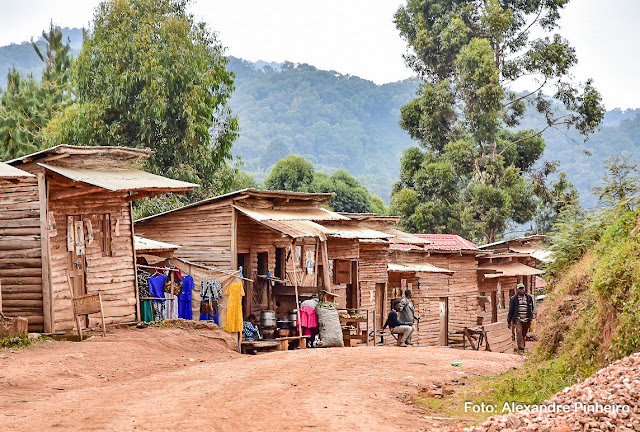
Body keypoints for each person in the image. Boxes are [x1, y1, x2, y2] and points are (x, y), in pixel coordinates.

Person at [507, 283, 534, 355]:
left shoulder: (528, 298)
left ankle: (523, 347)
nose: (521, 290)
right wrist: (509, 320)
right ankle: (520, 349)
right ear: (517, 290)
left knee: (523, 334)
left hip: (526, 319)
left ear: (524, 289)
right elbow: (511, 310)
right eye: (520, 289)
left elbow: (531, 308)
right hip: (518, 318)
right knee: (519, 332)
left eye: (522, 289)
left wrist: (531, 317)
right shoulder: (514, 299)